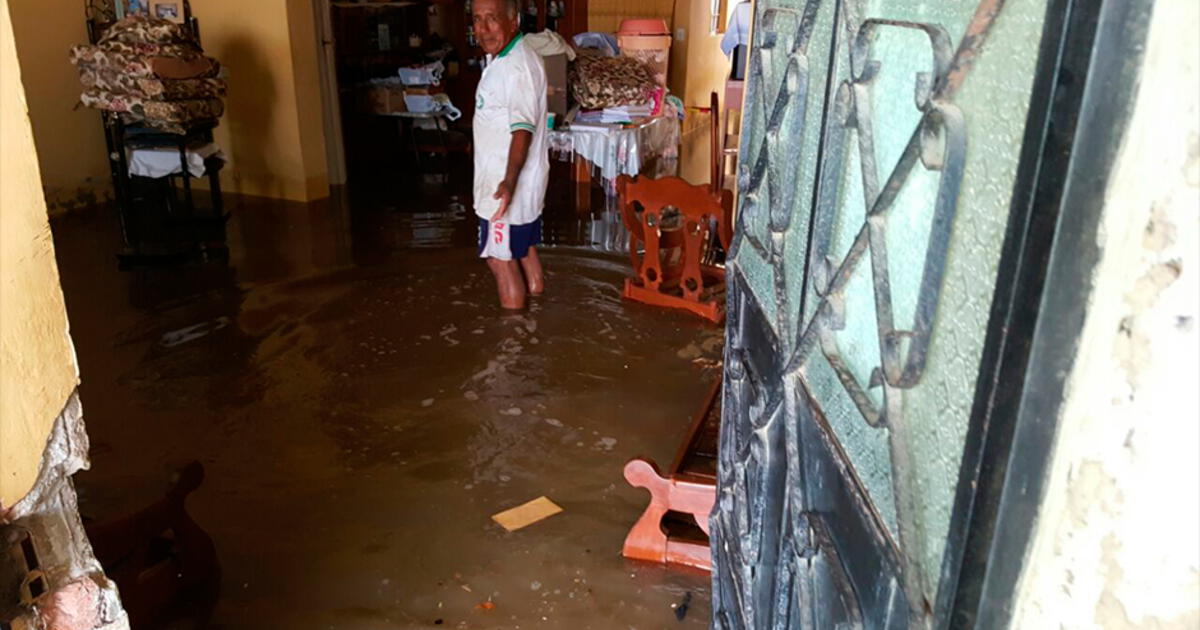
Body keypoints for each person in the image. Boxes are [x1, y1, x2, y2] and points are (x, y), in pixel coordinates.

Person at [471, 0, 549, 310]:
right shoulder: (507, 58)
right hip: (519, 185)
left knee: (499, 261)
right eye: (477, 20)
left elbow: (522, 130)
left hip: (505, 188)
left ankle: (514, 344)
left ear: (513, 21)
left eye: (492, 19)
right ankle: (536, 319)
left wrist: (508, 182)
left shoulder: (516, 66)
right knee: (524, 250)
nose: (484, 28)